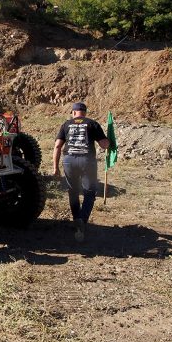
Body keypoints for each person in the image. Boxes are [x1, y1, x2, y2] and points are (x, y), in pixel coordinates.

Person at [52, 102, 110, 242]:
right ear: (84, 112)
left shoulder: (66, 124)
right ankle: (82, 221)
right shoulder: (92, 123)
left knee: (73, 191)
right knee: (89, 192)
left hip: (69, 161)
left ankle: (76, 219)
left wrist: (55, 167)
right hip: (87, 161)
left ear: (73, 112)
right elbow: (104, 145)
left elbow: (57, 146)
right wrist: (110, 140)